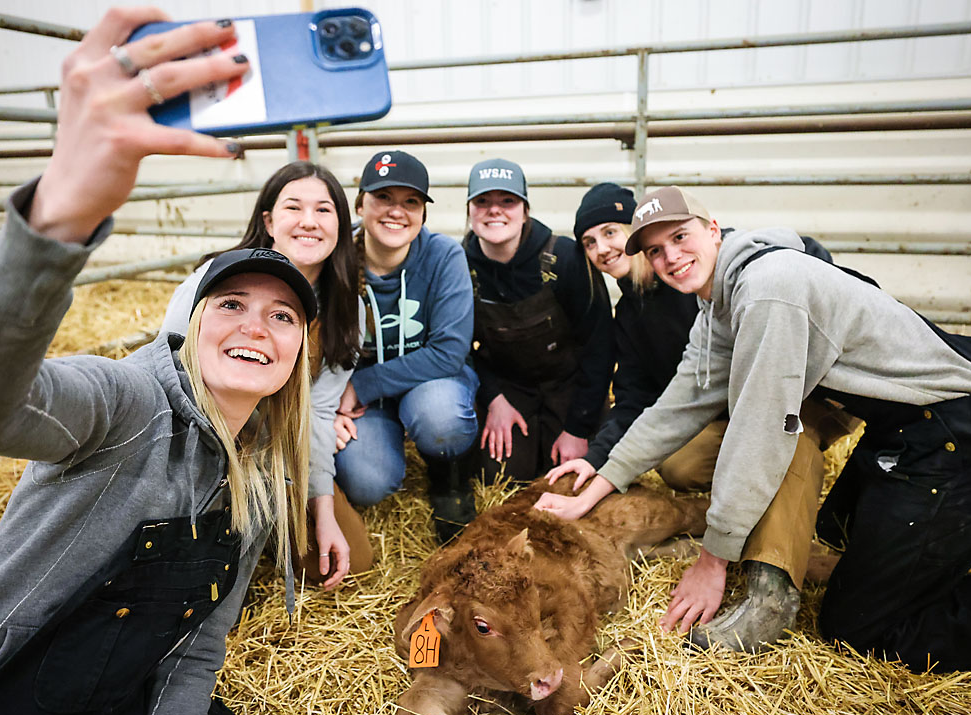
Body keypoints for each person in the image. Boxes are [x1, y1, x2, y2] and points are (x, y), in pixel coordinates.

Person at [0, 11, 313, 715]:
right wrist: (56, 221)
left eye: (282, 316)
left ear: (296, 356)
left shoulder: (261, 477)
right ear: (189, 326)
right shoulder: (126, 402)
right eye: (230, 304)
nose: (257, 325)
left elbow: (196, 647)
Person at [539, 185, 971, 672]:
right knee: (837, 535)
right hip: (898, 430)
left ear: (713, 229)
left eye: (680, 236)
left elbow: (761, 428)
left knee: (858, 625)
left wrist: (713, 561)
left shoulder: (767, 289)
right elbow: (679, 402)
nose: (671, 256)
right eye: (656, 250)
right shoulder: (717, 303)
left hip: (956, 428)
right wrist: (604, 479)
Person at [567, 182, 857, 651]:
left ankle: (772, 590)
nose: (603, 249)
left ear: (711, 231)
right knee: (680, 465)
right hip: (733, 409)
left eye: (610, 232)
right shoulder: (651, 307)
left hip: (810, 396)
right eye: (589, 242)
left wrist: (714, 558)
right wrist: (601, 467)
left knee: (782, 437)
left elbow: (768, 411)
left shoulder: (737, 274)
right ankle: (742, 513)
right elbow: (656, 401)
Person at [162, 161, 372, 590]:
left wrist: (322, 508)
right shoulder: (214, 279)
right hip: (197, 440)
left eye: (325, 210)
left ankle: (266, 517)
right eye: (293, 207)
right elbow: (169, 369)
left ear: (341, 225)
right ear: (268, 221)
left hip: (274, 450)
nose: (309, 222)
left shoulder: (347, 308)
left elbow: (317, 408)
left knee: (348, 558)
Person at [333, 150, 478, 543]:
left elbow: (449, 351)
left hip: (429, 382)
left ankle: (450, 480)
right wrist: (324, 407)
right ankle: (384, 440)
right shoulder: (335, 259)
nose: (396, 211)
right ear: (360, 204)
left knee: (441, 421)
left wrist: (360, 386)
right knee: (367, 483)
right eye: (383, 198)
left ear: (423, 214)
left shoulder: (444, 256)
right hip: (364, 401)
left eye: (410, 202)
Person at [462, 159, 613, 485]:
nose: (494, 211)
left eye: (508, 201)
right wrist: (493, 400)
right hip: (509, 388)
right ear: (470, 210)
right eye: (483, 202)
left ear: (525, 210)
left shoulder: (566, 259)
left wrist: (578, 427)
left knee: (567, 476)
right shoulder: (458, 267)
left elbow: (599, 346)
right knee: (499, 477)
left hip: (570, 386)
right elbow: (460, 349)